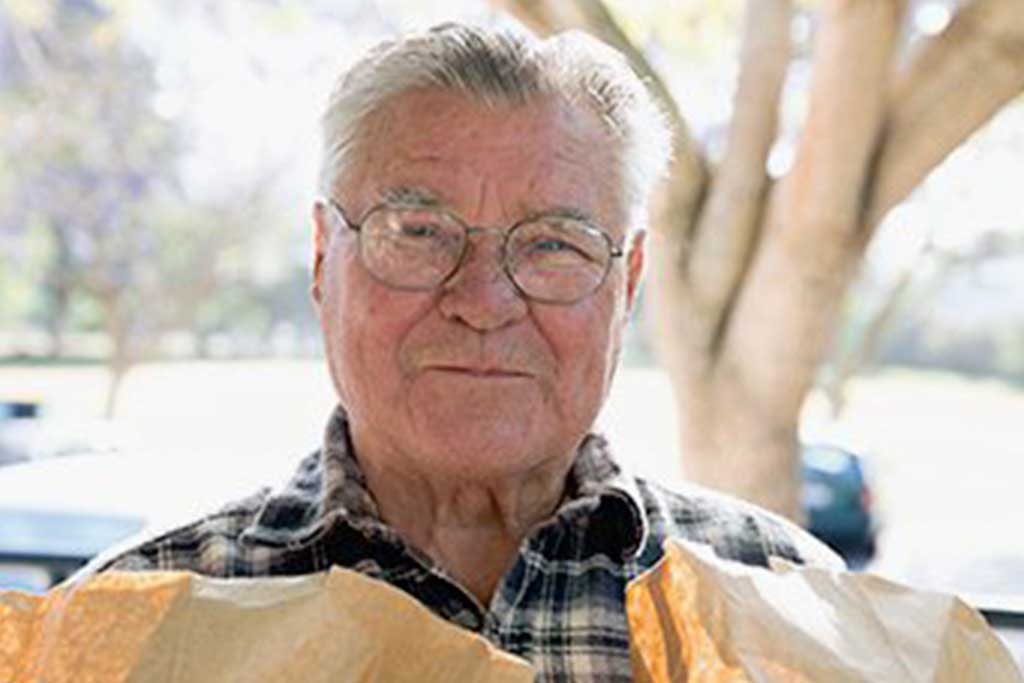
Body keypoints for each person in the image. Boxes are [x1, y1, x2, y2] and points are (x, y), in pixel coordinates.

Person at [75, 21, 842, 681]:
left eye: (552, 243)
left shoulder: (797, 614)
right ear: (320, 258)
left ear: (628, 281)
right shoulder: (132, 624)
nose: (482, 302)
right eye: (418, 232)